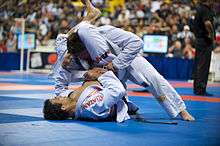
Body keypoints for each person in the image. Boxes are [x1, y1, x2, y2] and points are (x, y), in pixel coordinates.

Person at [52, 1, 195, 121]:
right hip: (106, 73)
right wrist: (72, 68)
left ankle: (181, 110)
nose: (82, 58)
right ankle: (127, 104)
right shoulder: (71, 55)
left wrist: (115, 64)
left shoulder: (106, 32)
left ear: (86, 45)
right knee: (62, 45)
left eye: (82, 54)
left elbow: (137, 43)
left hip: (126, 59)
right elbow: (62, 83)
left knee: (154, 79)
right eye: (78, 56)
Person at [44, 68, 129, 122]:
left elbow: (59, 89)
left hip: (101, 74)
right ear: (63, 107)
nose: (58, 96)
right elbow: (118, 91)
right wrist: (101, 75)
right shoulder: (89, 106)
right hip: (117, 78)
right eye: (56, 99)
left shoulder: (70, 98)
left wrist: (64, 67)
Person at [192, 0, 215, 96]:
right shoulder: (206, 10)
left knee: (198, 65)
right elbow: (208, 23)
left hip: (199, 40)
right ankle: (201, 89)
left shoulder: (199, 8)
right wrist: (211, 34)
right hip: (205, 41)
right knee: (203, 65)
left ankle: (197, 88)